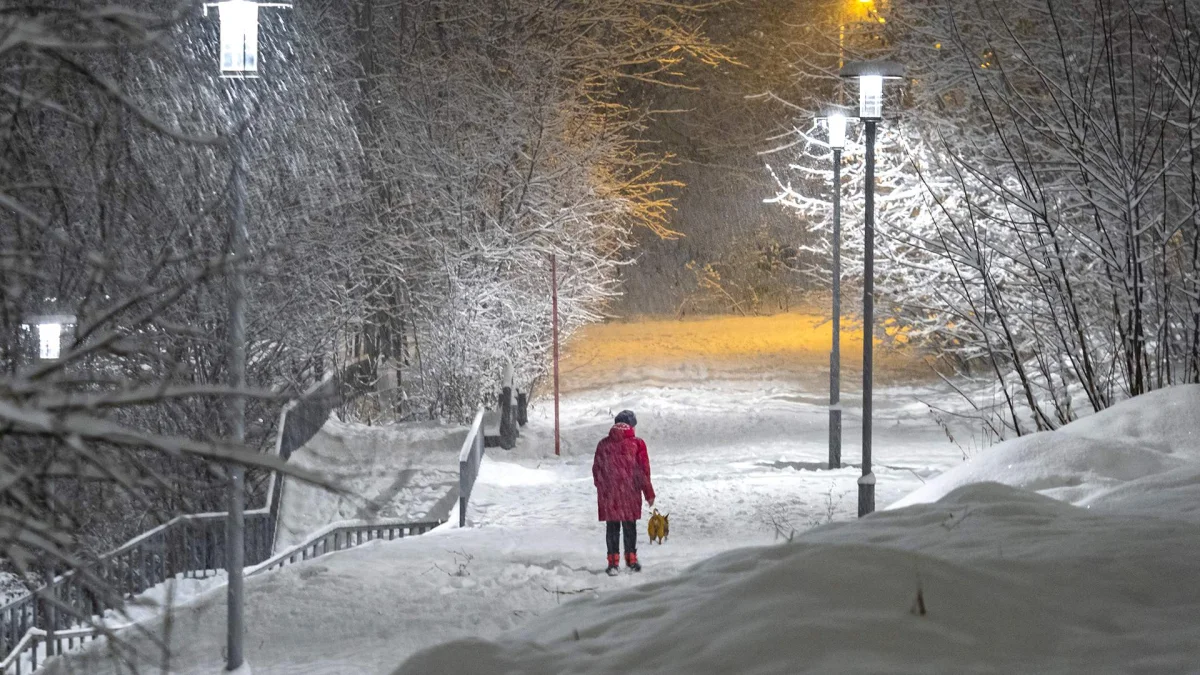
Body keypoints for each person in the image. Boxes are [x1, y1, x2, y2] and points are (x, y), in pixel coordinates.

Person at [592, 409, 655, 575]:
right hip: (630, 493)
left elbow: (596, 470)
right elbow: (643, 471)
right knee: (629, 526)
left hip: (610, 494)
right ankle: (631, 561)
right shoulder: (637, 444)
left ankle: (612, 563)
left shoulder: (603, 444)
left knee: (612, 527)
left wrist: (603, 487)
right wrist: (648, 493)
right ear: (631, 426)